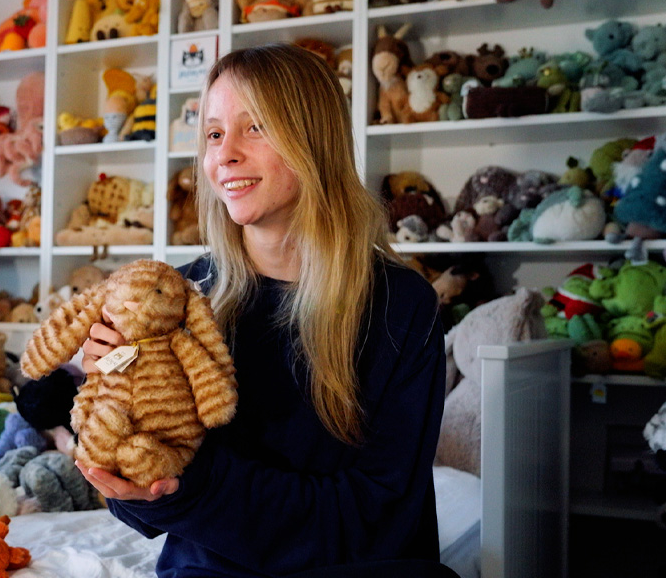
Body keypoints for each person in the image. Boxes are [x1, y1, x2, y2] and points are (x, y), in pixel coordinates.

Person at [76, 43, 447, 577]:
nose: (224, 155)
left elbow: (381, 516)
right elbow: (144, 508)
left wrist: (196, 485)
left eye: (255, 128)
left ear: (314, 141)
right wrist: (113, 413)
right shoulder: (171, 299)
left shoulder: (403, 306)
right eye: (214, 134)